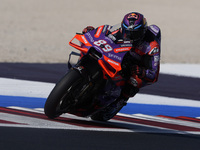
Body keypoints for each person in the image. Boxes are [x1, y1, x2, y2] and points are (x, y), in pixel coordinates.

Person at [83, 12, 161, 120]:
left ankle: (119, 101)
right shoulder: (119, 31)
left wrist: (142, 71)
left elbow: (154, 75)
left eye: (135, 34)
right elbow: (104, 35)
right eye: (127, 32)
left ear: (142, 32)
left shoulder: (152, 46)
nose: (130, 36)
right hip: (118, 54)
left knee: (135, 82)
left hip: (136, 64)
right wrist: (91, 32)